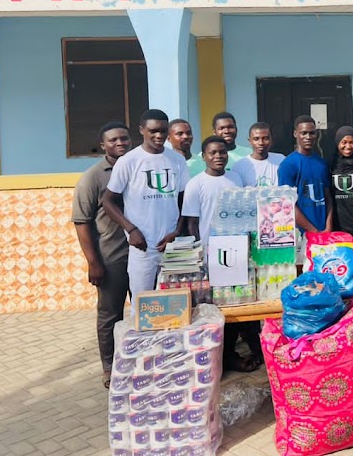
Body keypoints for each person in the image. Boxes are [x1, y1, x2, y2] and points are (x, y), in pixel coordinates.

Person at [181, 136, 261, 373]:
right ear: (204, 156)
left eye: (222, 152)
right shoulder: (196, 184)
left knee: (245, 303)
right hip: (213, 256)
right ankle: (226, 356)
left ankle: (256, 350)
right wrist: (202, 254)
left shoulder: (235, 178)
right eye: (213, 153)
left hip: (239, 251)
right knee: (222, 308)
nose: (218, 156)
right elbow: (192, 224)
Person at [102, 109, 189, 301]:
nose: (159, 136)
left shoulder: (178, 160)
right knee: (142, 304)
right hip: (143, 247)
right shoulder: (128, 162)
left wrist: (177, 231)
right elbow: (108, 202)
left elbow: (185, 200)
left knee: (175, 303)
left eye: (163, 131)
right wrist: (131, 230)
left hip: (172, 246)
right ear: (142, 130)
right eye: (153, 131)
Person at [71, 121, 132, 388]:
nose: (120, 143)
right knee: (110, 313)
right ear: (103, 145)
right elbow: (81, 222)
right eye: (114, 140)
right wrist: (93, 263)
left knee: (149, 310)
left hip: (144, 255)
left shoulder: (137, 167)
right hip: (112, 257)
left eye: (124, 139)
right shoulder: (93, 178)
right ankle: (109, 367)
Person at [277, 116, 333, 250]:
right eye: (304, 133)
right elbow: (287, 205)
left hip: (324, 234)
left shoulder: (321, 163)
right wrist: (312, 231)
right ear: (295, 134)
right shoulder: (288, 165)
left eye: (312, 133)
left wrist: (328, 226)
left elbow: (328, 198)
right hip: (300, 236)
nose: (308, 137)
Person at [188, 111, 253, 176]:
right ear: (214, 132)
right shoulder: (203, 158)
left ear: (236, 129)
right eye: (221, 128)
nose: (226, 131)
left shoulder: (249, 153)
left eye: (230, 127)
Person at [234, 122, 286, 187]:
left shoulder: (281, 160)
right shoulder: (240, 165)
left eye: (265, 138)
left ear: (271, 140)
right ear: (250, 141)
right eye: (256, 139)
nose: (261, 143)